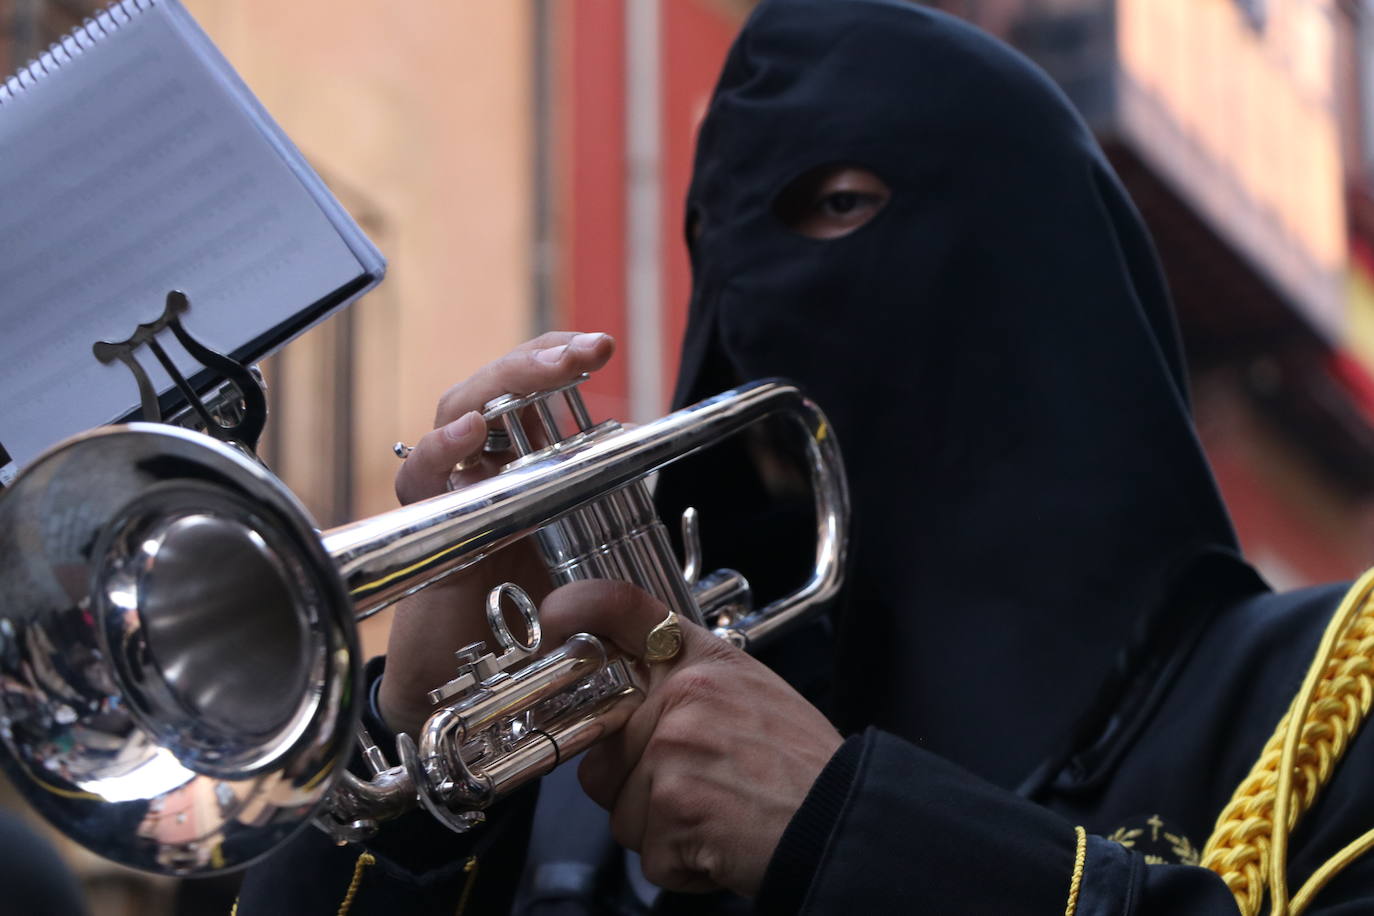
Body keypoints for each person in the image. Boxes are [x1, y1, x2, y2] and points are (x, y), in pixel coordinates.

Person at [241, 0, 1374, 912]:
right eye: (721, 243)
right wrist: (415, 765)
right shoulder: (594, 797)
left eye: (840, 204)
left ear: (1040, 254)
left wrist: (849, 829)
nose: (758, 295)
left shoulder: (1319, 698)